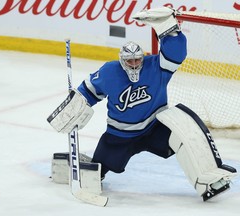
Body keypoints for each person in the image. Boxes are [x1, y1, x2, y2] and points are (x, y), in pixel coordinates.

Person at [48, 7, 237, 201]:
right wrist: (75, 107)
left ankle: (207, 182)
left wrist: (168, 28)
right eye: (129, 61)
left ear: (143, 57)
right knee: (99, 169)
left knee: (186, 136)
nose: (134, 64)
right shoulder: (110, 71)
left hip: (155, 127)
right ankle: (79, 170)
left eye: (137, 60)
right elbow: (88, 91)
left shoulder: (156, 66)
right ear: (121, 61)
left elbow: (176, 53)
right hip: (119, 135)